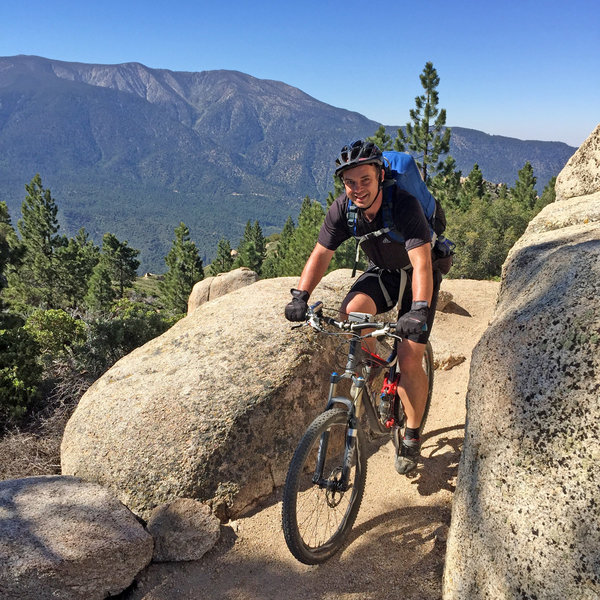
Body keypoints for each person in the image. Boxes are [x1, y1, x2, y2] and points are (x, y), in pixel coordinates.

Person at [284, 139, 442, 475]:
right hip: (384, 270)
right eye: (350, 183)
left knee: (411, 355)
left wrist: (418, 311)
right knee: (351, 313)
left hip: (419, 272)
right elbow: (321, 254)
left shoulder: (403, 204)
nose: (358, 189)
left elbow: (422, 264)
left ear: (380, 175)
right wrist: (301, 295)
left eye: (365, 180)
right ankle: (378, 366)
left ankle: (411, 433)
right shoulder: (343, 210)